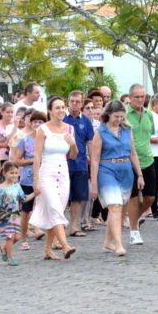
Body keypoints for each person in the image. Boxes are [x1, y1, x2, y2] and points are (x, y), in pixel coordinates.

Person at [88, 100, 144, 256]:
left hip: (126, 170)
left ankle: (107, 243)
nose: (119, 120)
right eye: (116, 117)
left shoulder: (127, 130)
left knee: (119, 209)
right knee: (115, 206)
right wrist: (93, 183)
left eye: (121, 117)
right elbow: (95, 159)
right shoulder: (101, 132)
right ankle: (118, 244)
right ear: (108, 115)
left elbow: (133, 153)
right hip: (107, 170)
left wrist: (139, 174)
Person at [30, 96, 79, 260]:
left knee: (58, 208)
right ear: (50, 111)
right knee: (54, 208)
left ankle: (48, 250)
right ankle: (65, 245)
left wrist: (72, 143)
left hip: (63, 171)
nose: (61, 110)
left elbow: (73, 155)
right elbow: (37, 157)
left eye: (62, 107)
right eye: (57, 107)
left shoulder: (70, 129)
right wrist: (36, 180)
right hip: (47, 171)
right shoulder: (42, 129)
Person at [124, 84, 157, 246]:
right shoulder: (124, 115)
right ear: (130, 98)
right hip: (129, 161)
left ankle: (134, 217)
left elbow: (149, 134)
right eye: (136, 96)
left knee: (151, 196)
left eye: (142, 96)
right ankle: (134, 231)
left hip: (148, 159)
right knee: (134, 197)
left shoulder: (149, 115)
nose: (139, 99)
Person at [63, 90, 95, 239]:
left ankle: (74, 226)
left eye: (78, 101)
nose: (75, 104)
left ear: (82, 103)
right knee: (62, 198)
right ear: (68, 102)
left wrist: (93, 160)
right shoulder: (61, 118)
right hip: (63, 163)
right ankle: (60, 227)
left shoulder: (86, 121)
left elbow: (90, 143)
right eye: (72, 101)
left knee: (78, 197)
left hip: (81, 164)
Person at [12, 110, 46, 247]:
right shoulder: (25, 140)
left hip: (45, 177)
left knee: (47, 208)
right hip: (27, 179)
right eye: (35, 122)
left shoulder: (48, 138)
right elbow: (17, 160)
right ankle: (24, 239)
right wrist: (33, 160)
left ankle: (52, 240)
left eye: (40, 122)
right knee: (26, 210)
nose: (37, 124)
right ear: (30, 123)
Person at [0, 161, 32, 267]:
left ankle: (4, 248)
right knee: (9, 237)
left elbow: (24, 198)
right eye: (11, 173)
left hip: (16, 215)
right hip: (4, 216)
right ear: (4, 173)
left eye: (16, 173)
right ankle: (11, 258)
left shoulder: (17, 186)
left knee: (17, 237)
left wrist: (35, 193)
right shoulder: (0, 188)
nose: (14, 175)